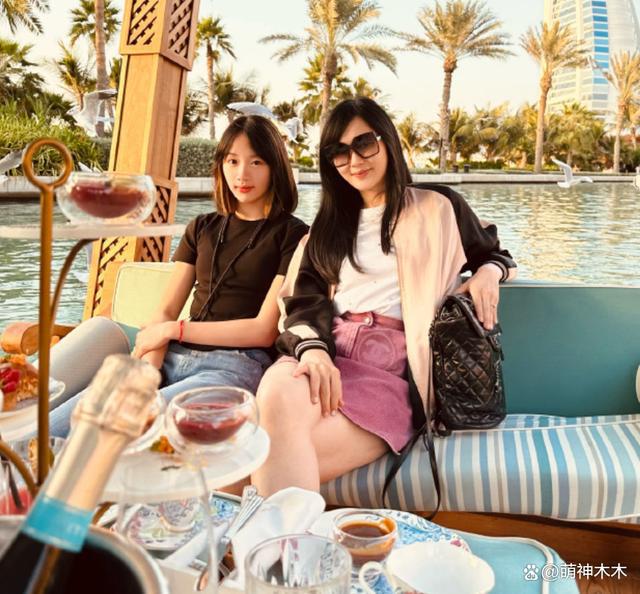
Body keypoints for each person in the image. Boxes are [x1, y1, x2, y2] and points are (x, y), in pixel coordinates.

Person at [251, 98, 516, 496]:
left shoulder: (438, 206)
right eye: (339, 151)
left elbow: (496, 253)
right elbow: (301, 301)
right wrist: (314, 351)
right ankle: (294, 538)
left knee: (258, 462)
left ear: (387, 141)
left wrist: (489, 273)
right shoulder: (325, 230)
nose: (354, 160)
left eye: (364, 143)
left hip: (391, 374)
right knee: (275, 393)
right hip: (328, 354)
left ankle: (280, 538)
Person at [46, 115, 308, 437]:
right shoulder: (202, 227)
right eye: (232, 161)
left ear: (275, 167)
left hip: (234, 367)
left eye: (256, 162)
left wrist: (173, 330)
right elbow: (166, 310)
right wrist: (149, 366)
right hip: (172, 355)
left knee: (120, 431)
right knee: (57, 427)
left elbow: (263, 330)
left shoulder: (293, 235)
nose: (242, 174)